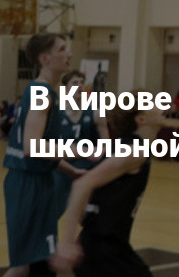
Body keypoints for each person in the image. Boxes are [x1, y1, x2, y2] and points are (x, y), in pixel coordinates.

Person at [51, 91, 163, 277]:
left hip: (103, 247)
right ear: (141, 119)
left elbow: (93, 191)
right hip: (104, 252)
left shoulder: (127, 147)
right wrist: (67, 243)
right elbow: (82, 185)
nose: (161, 106)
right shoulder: (134, 151)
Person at [2, 32, 81, 277]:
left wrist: (70, 170)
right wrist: (80, 150)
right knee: (37, 264)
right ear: (45, 58)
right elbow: (32, 147)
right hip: (29, 184)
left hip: (33, 181)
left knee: (29, 264)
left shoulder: (43, 91)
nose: (69, 54)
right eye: (62, 49)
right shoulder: (41, 93)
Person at [53, 70, 109, 217]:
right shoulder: (56, 114)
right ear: (65, 88)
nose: (79, 85)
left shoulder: (96, 113)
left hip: (87, 171)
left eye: (82, 82)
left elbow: (106, 145)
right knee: (53, 213)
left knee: (89, 217)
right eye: (75, 82)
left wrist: (100, 153)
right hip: (63, 169)